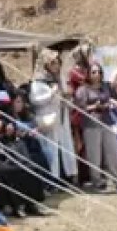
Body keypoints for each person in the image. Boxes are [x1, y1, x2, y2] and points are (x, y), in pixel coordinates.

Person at [74, 63, 117, 193]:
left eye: (99, 72)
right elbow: (80, 108)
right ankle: (97, 182)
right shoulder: (83, 89)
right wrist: (94, 107)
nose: (97, 74)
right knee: (94, 155)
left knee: (113, 152)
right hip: (91, 125)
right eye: (94, 72)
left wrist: (112, 103)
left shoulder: (105, 86)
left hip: (107, 122)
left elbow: (115, 98)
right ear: (89, 73)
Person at [29, 54, 78, 185]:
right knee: (50, 148)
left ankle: (67, 177)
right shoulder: (38, 82)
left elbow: (65, 100)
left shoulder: (58, 80)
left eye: (57, 63)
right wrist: (51, 93)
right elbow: (35, 100)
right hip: (48, 120)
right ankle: (52, 179)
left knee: (64, 147)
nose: (56, 66)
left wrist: (67, 97)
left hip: (61, 119)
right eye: (53, 63)